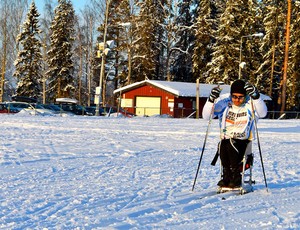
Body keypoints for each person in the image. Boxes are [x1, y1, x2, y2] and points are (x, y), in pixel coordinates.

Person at [202, 79, 268, 188]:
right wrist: (210, 100)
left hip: (243, 141)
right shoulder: (225, 103)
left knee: (231, 143)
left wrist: (256, 97)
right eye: (234, 96)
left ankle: (235, 175)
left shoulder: (249, 104)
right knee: (223, 144)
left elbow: (263, 113)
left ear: (245, 95)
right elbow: (206, 116)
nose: (237, 100)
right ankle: (227, 175)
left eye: (240, 97)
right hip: (226, 141)